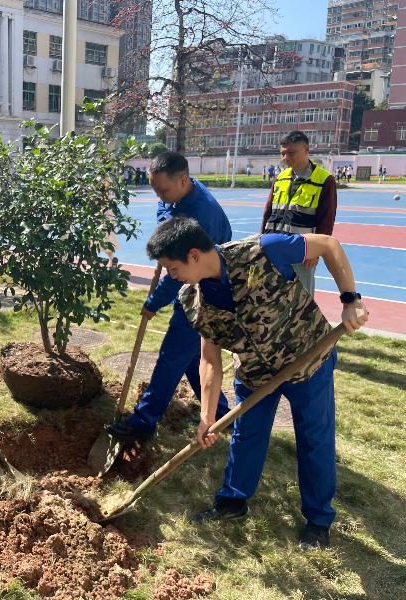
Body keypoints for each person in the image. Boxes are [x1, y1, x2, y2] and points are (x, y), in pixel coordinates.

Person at [144, 216, 368, 550]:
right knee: (246, 436)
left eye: (172, 268)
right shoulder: (193, 300)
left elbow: (328, 245)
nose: (171, 276)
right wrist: (207, 415)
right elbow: (209, 359)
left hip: (309, 362)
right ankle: (233, 501)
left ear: (193, 254)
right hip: (254, 374)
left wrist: (350, 299)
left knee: (314, 440)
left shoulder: (264, 250)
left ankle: (318, 520)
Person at [107, 152, 232, 444]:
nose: (159, 196)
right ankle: (223, 414)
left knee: (171, 355)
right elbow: (164, 213)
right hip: (189, 279)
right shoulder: (176, 195)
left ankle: (144, 421)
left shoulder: (201, 216)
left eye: (163, 190)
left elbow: (176, 274)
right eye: (155, 190)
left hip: (204, 290)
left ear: (184, 180)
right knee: (188, 358)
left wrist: (152, 303)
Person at [260, 131, 337, 296]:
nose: (286, 157)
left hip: (301, 252)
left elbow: (326, 219)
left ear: (306, 149)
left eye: (291, 152)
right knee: (271, 297)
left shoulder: (324, 180)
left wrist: (316, 251)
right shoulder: (280, 177)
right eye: (283, 153)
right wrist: (261, 242)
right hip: (274, 248)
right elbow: (268, 212)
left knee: (302, 300)